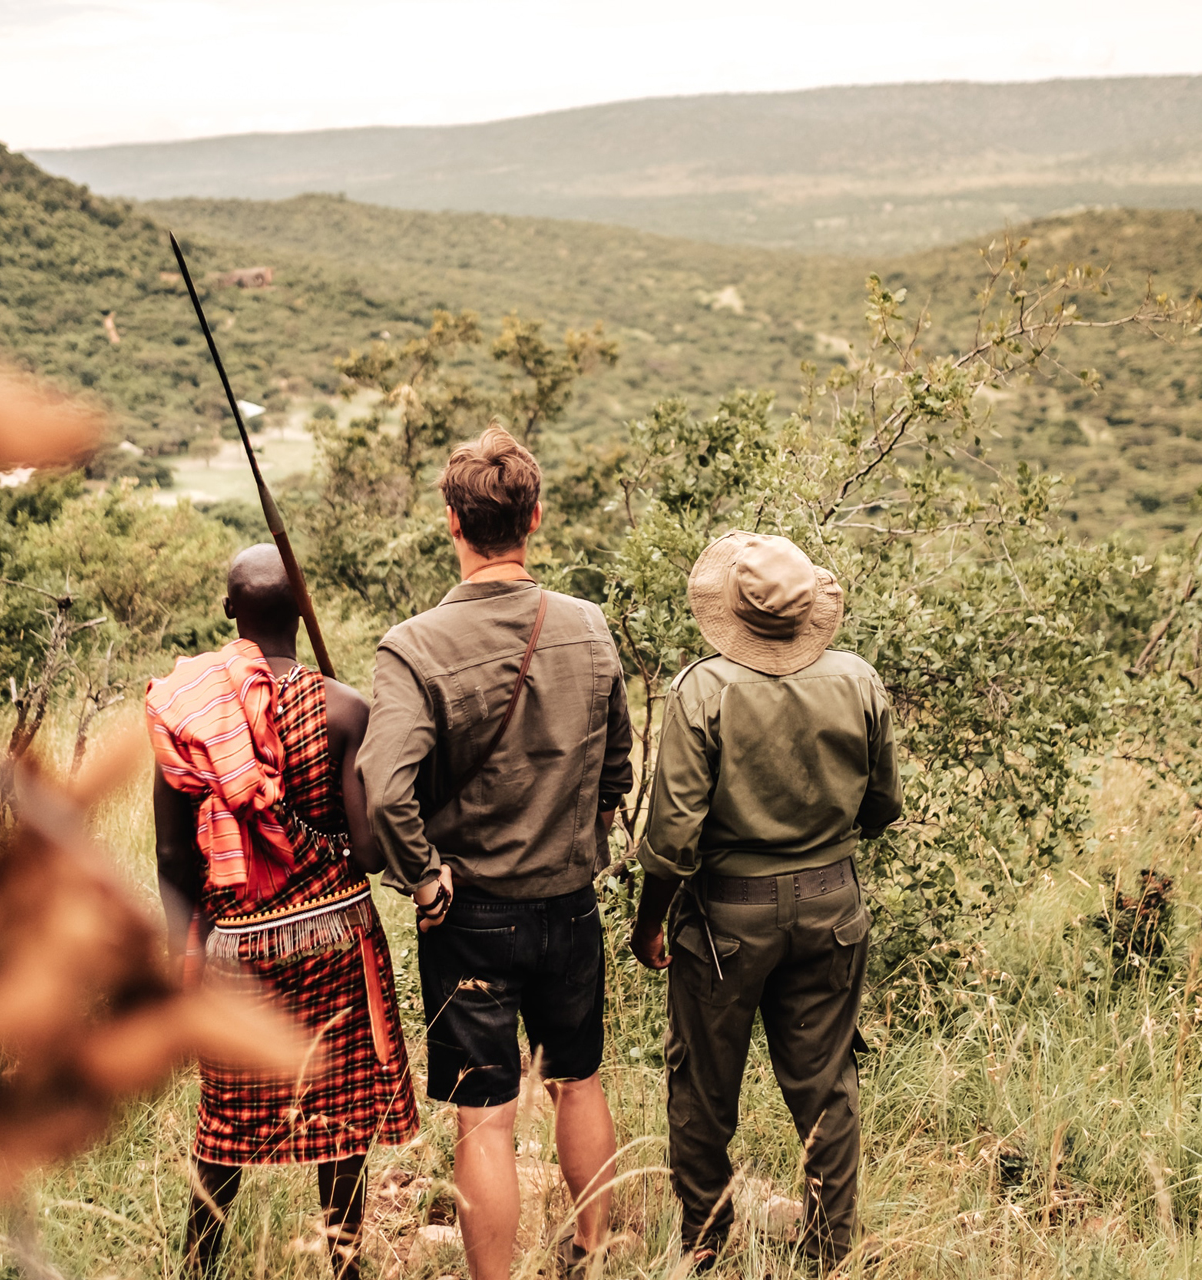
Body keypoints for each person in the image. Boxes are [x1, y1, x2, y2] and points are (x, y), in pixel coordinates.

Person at [359, 426, 634, 1280]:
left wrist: (426, 878)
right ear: (535, 518)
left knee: (486, 1118)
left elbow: (382, 788)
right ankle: (595, 1254)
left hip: (470, 916)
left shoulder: (413, 647)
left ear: (453, 522)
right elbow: (617, 766)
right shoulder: (588, 627)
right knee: (578, 1083)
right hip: (570, 905)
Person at [629, 531, 901, 1271]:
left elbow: (673, 835)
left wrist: (649, 924)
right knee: (828, 1085)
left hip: (726, 917)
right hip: (833, 905)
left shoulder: (704, 690)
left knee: (704, 1090)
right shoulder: (858, 680)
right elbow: (882, 808)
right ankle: (829, 1251)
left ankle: (706, 1249)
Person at [149, 545, 420, 1280]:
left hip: (236, 948)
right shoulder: (345, 707)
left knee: (229, 1114)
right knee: (339, 1107)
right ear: (303, 609)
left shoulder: (192, 713)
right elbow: (366, 852)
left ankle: (199, 1264)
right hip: (337, 938)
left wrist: (186, 960)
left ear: (230, 610)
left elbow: (175, 859)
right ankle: (345, 1265)